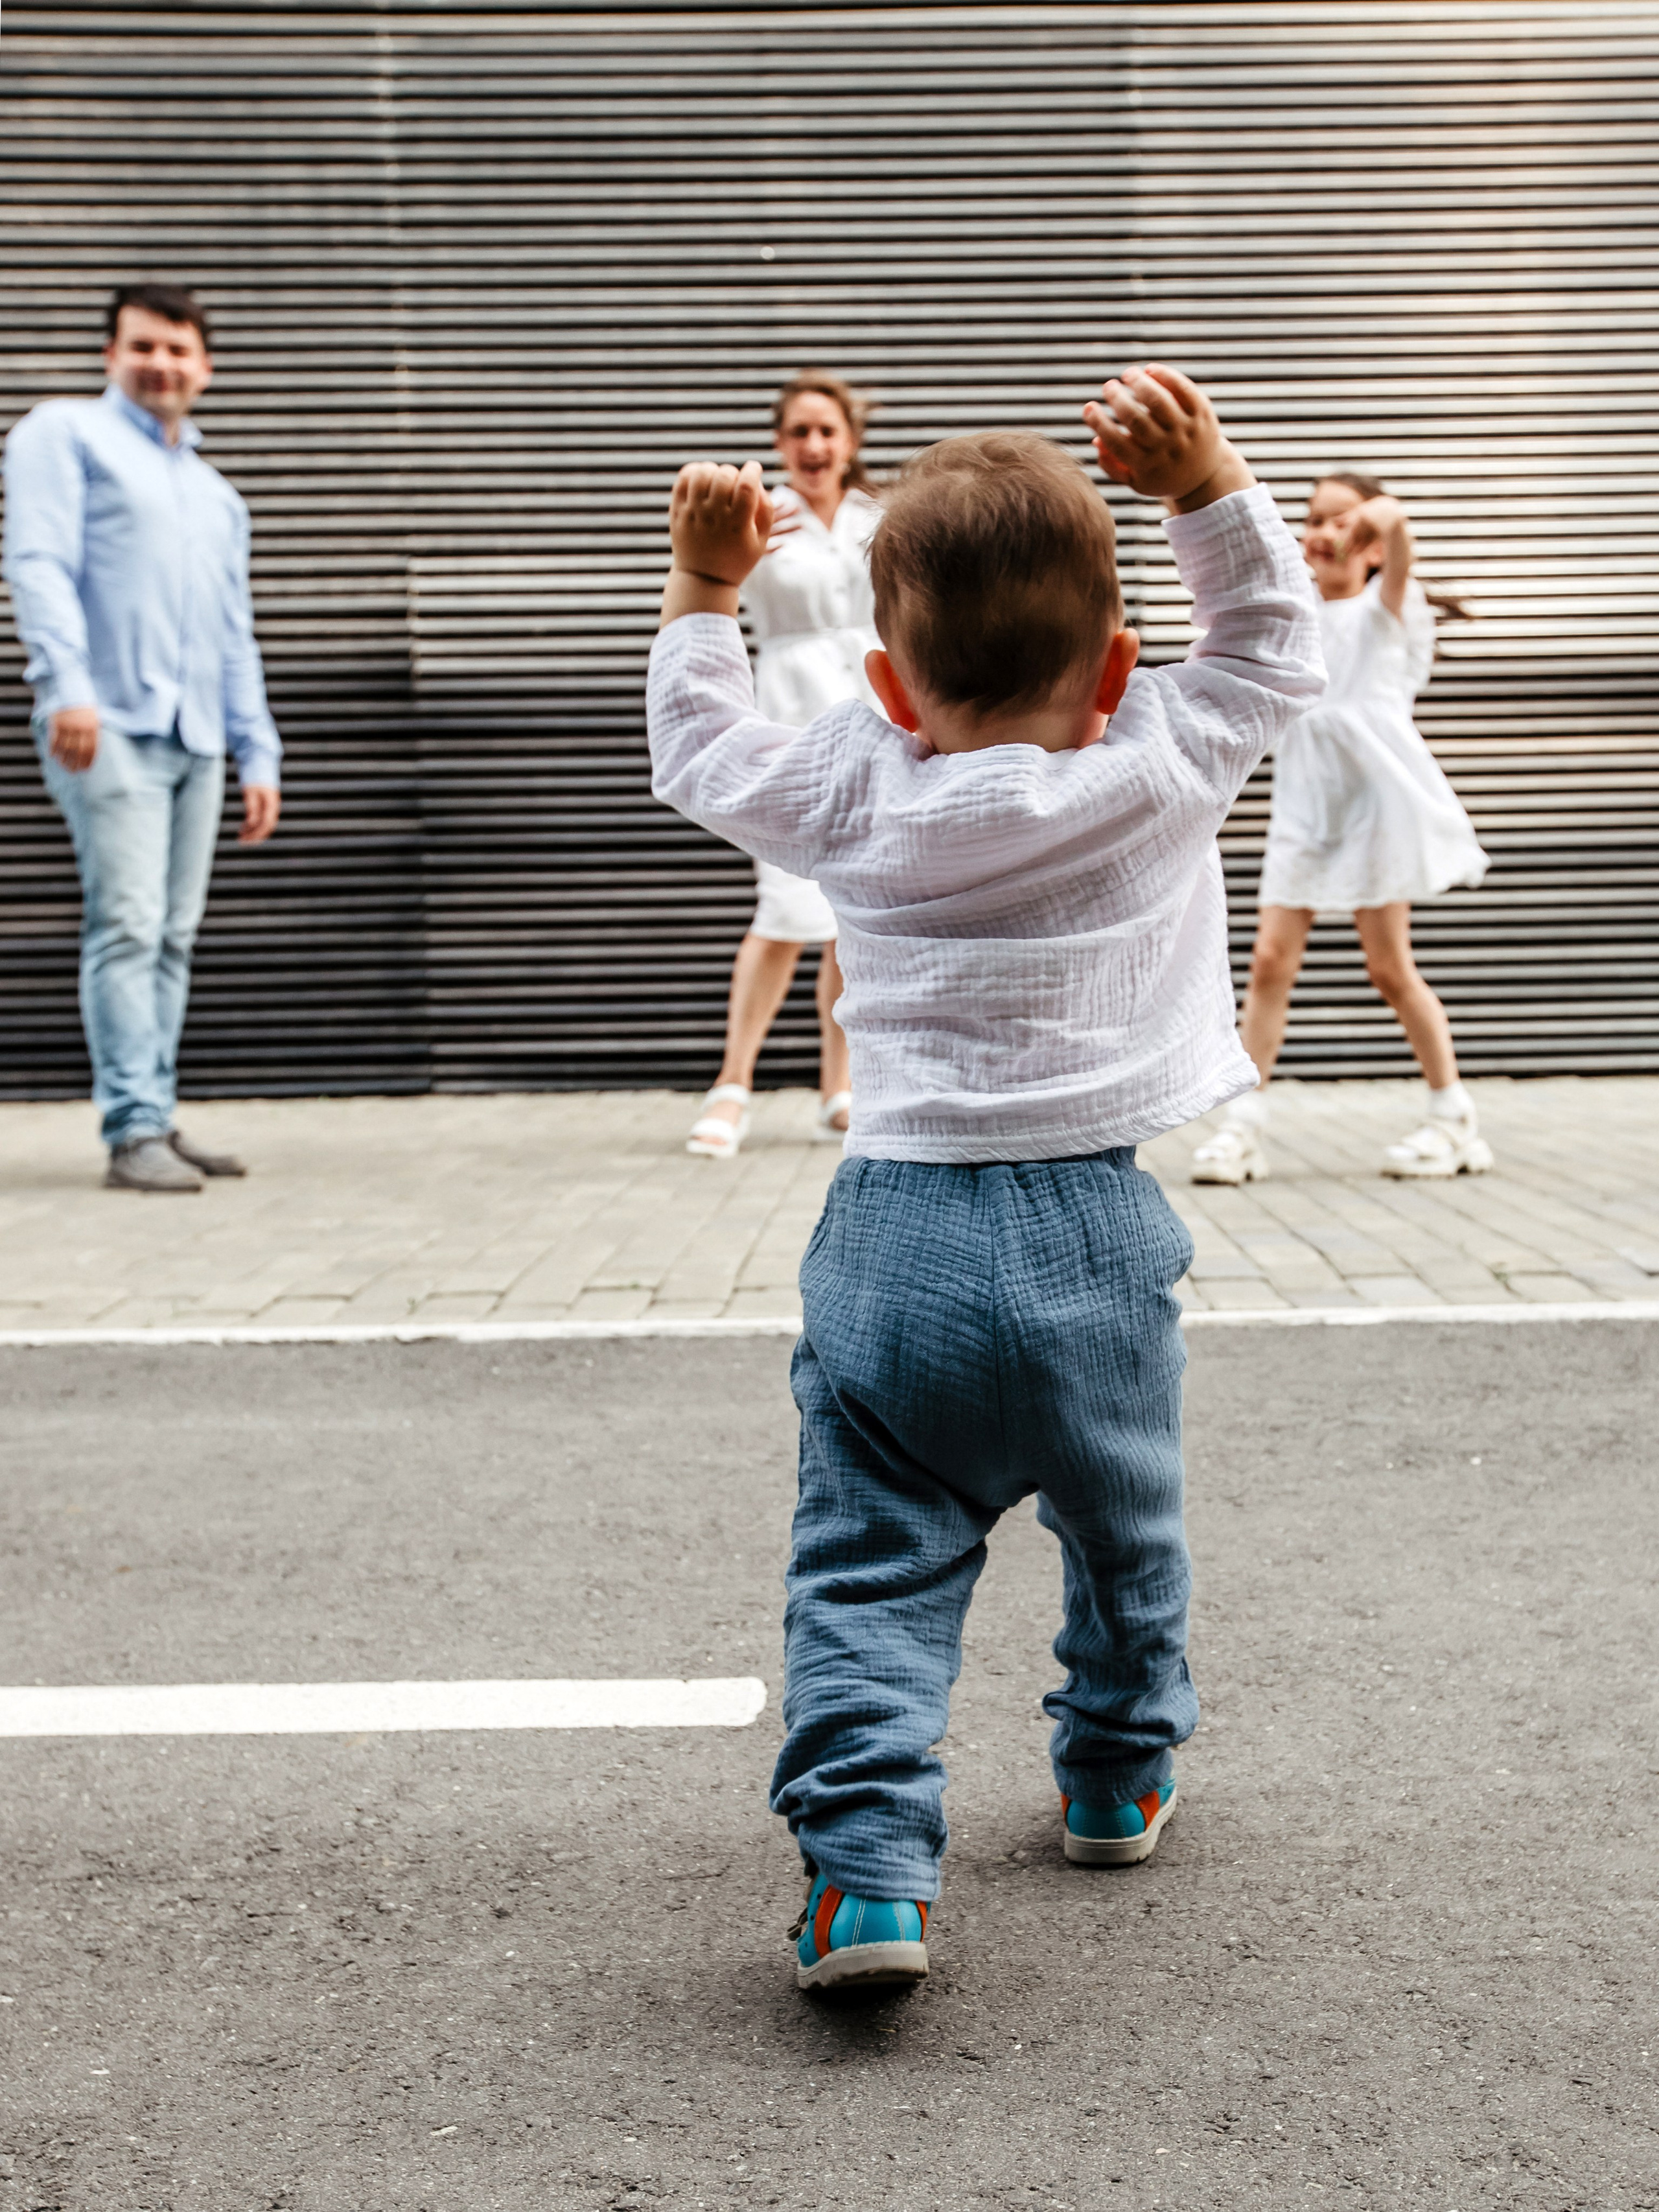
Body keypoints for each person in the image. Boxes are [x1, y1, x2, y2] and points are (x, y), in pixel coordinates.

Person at [647, 366, 1323, 1990]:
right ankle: (1108, 1772)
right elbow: (1270, 651)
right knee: (1124, 1531)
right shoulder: (1156, 756)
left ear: (884, 682)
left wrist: (704, 588)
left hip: (894, 1232)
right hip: (1096, 1224)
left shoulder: (853, 777)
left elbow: (696, 747)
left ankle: (868, 1876)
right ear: (1112, 663)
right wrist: (1204, 485)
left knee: (870, 1561)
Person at [3, 281, 281, 1193]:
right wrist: (65, 686)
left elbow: (233, 629)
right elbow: (38, 560)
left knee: (171, 932)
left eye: (180, 349)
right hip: (106, 722)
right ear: (111, 353)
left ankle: (153, 1112)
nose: (163, 363)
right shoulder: (63, 435)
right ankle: (130, 1129)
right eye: (145, 346)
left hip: (197, 735)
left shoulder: (216, 494)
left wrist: (258, 747)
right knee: (125, 923)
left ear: (205, 366)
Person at [1191, 471, 1490, 1185]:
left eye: (1337, 521)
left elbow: (1395, 521)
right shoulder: (1296, 615)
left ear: (1368, 544)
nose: (1319, 532)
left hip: (1374, 807)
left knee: (1389, 969)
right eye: (1311, 519)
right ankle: (1244, 1125)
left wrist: (1373, 522)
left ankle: (1452, 1117)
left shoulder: (1388, 608)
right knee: (1268, 962)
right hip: (1305, 804)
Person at [684, 371, 881, 1159]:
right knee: (781, 910)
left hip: (870, 719)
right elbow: (715, 592)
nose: (813, 446)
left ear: (850, 441)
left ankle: (839, 1091)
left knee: (848, 920)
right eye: (798, 432)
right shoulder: (763, 516)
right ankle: (733, 1085)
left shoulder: (880, 516)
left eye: (827, 432)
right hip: (788, 721)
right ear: (779, 442)